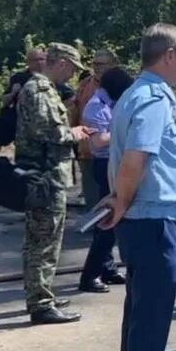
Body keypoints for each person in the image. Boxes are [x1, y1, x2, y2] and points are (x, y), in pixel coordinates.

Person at [100, 24, 176, 351]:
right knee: (151, 319)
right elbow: (136, 158)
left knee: (141, 315)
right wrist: (121, 200)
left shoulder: (135, 93)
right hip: (152, 220)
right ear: (169, 55)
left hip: (147, 218)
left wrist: (120, 199)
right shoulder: (154, 98)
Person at [15, 43, 92, 324]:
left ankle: (42, 292)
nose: (72, 75)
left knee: (46, 239)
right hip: (44, 177)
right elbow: (49, 132)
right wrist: (76, 133)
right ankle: (40, 304)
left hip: (48, 176)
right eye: (72, 68)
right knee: (43, 242)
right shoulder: (39, 90)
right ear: (61, 63)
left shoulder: (43, 89)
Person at [77, 67, 134, 293]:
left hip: (116, 163)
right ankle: (89, 275)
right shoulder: (95, 106)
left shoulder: (113, 101)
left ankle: (107, 269)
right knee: (108, 221)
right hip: (104, 165)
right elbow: (99, 141)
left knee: (114, 221)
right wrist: (126, 131)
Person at [72, 50, 120, 215]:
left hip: (113, 154)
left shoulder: (121, 86)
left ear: (113, 65)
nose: (97, 68)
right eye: (95, 64)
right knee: (93, 200)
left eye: (102, 64)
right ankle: (95, 229)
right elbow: (75, 112)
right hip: (87, 151)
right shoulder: (85, 85)